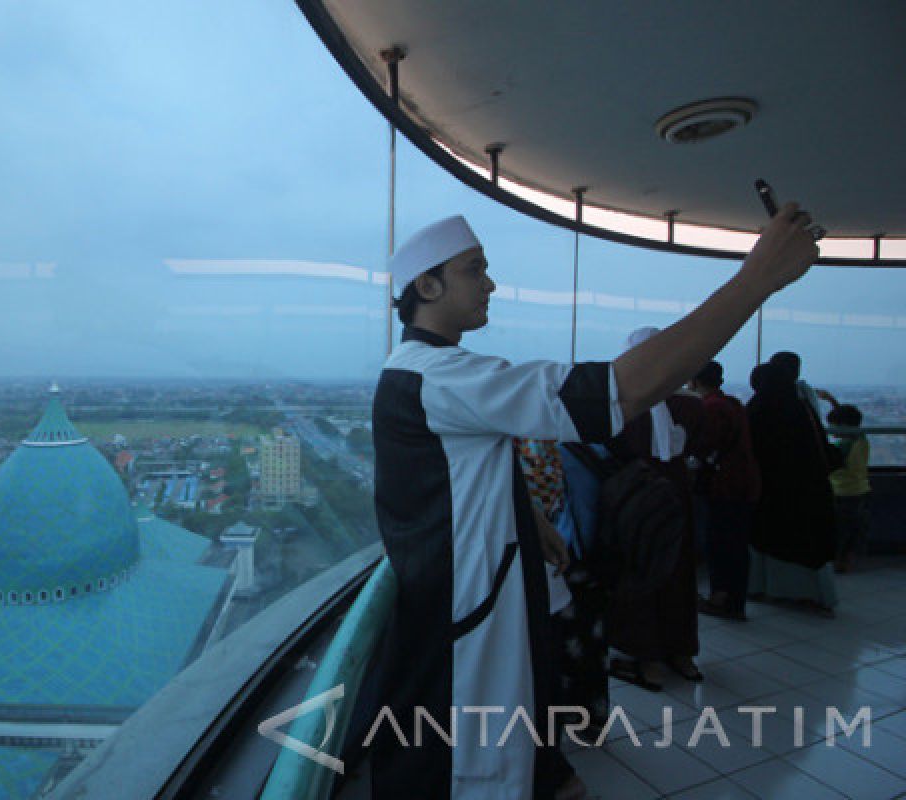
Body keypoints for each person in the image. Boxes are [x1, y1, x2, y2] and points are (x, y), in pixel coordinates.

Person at [369, 203, 818, 800]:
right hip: (470, 617)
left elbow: (456, 474)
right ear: (427, 285)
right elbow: (620, 391)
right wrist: (755, 279)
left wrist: (529, 520)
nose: (490, 284)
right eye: (475, 270)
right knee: (474, 770)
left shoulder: (420, 373)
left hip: (481, 596)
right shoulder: (438, 376)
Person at [604, 327, 704, 690]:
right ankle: (681, 650)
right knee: (677, 571)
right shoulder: (691, 404)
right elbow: (700, 447)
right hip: (674, 492)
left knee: (639, 571)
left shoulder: (621, 404)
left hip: (634, 495)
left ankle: (646, 655)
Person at [746, 363, 839, 615]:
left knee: (772, 539)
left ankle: (770, 589)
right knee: (806, 544)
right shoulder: (803, 408)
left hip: (773, 491)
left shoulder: (759, 409)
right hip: (810, 489)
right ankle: (811, 595)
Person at [689, 360, 761, 620]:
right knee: (736, 545)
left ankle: (723, 598)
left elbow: (705, 445)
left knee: (721, 543)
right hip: (742, 484)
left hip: (724, 487)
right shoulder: (732, 404)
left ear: (694, 382)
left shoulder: (711, 408)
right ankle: (733, 599)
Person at [819, 394, 871, 572]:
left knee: (840, 530)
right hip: (860, 490)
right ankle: (848, 560)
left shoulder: (843, 448)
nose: (831, 428)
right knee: (854, 529)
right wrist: (832, 401)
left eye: (833, 425)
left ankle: (839, 562)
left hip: (842, 492)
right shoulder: (861, 439)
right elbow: (846, 419)